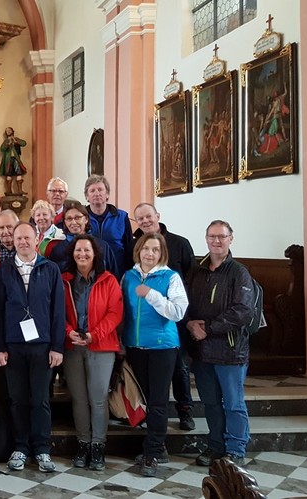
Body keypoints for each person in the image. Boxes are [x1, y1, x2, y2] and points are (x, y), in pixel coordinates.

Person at [0, 223, 65, 473]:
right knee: (18, 399)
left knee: (41, 399)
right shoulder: (3, 270)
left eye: (27, 237)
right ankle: (21, 447)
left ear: (36, 240)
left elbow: (58, 311)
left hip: (42, 345)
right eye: (19, 238)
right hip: (13, 345)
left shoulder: (50, 269)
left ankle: (42, 448)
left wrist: (57, 347)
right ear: (13, 241)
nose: (23, 242)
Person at [186, 220, 255, 468]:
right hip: (202, 352)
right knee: (211, 403)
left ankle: (236, 449)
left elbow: (243, 311)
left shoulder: (239, 272)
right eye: (212, 236)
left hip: (230, 350)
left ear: (230, 239)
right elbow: (183, 302)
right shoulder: (197, 271)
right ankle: (216, 446)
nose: (216, 241)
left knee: (233, 403)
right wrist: (189, 324)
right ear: (206, 239)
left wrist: (209, 328)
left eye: (222, 237)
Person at [121, 232, 188, 477]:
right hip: (135, 347)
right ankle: (155, 444)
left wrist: (151, 294)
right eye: (146, 248)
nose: (150, 253)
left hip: (162, 347)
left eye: (155, 250)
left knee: (158, 401)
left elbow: (178, 312)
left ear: (162, 253)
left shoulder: (171, 277)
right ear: (138, 250)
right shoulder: (128, 276)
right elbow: (123, 311)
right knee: (146, 399)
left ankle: (153, 452)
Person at [61, 234, 123, 472]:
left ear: (95, 253)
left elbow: (115, 313)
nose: (82, 254)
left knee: (98, 399)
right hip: (73, 347)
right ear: (72, 253)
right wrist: (68, 331)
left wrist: (94, 334)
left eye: (87, 250)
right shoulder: (64, 280)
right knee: (79, 398)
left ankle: (98, 445)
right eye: (78, 250)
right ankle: (83, 443)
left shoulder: (109, 280)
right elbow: (57, 312)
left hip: (101, 345)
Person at [132, 202, 196, 431]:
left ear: (157, 215)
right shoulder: (134, 244)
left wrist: (189, 318)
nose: (145, 221)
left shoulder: (179, 243)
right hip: (145, 323)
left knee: (179, 367)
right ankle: (147, 414)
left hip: (175, 317)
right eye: (140, 218)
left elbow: (192, 279)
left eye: (148, 216)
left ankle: (185, 409)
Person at [84, 175, 133, 279]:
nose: (97, 193)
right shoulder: (80, 218)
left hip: (118, 272)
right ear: (87, 196)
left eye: (100, 189)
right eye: (92, 190)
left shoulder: (122, 217)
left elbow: (129, 247)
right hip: (89, 273)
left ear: (107, 194)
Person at [48, 200, 115, 274]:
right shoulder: (57, 250)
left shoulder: (102, 246)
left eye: (77, 218)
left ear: (86, 219)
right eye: (69, 219)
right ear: (65, 222)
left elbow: (113, 276)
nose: (73, 222)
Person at [0, 127, 27, 195]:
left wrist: (16, 141)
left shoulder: (16, 139)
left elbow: (24, 143)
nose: (8, 131)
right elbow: (2, 149)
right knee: (9, 174)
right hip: (8, 160)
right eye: (7, 131)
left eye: (9, 130)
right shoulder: (6, 141)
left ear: (12, 131)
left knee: (19, 173)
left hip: (15, 159)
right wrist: (8, 143)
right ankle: (9, 191)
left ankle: (20, 190)